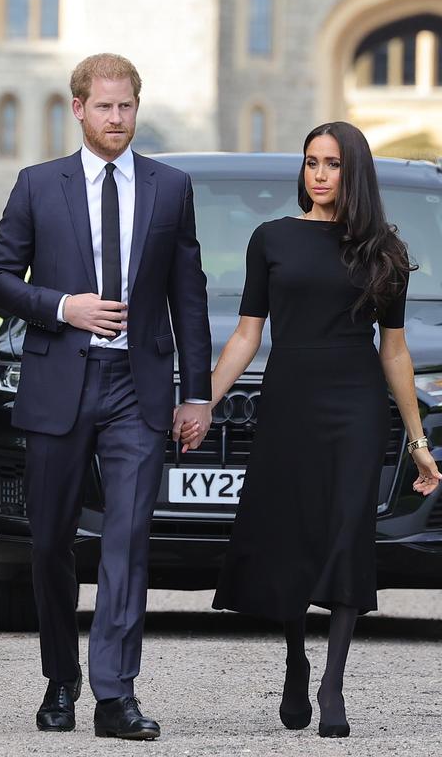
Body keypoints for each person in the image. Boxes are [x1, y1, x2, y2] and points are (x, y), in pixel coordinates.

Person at [0, 53, 212, 740]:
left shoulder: (171, 188)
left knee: (129, 538)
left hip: (136, 391)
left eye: (127, 107)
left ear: (137, 108)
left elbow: (189, 299)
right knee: (50, 541)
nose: (117, 119)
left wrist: (195, 394)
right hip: (58, 383)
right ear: (77, 108)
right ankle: (61, 677)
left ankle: (115, 694)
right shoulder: (36, 186)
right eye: (104, 106)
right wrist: (62, 307)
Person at [183, 121, 440, 738]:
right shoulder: (270, 239)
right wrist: (203, 402)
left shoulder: (386, 252)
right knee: (293, 533)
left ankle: (332, 682)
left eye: (331, 164)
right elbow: (248, 334)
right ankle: (297, 658)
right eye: (310, 163)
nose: (318, 175)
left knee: (348, 530)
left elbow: (395, 352)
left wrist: (418, 442)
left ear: (354, 173)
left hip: (355, 406)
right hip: (289, 400)